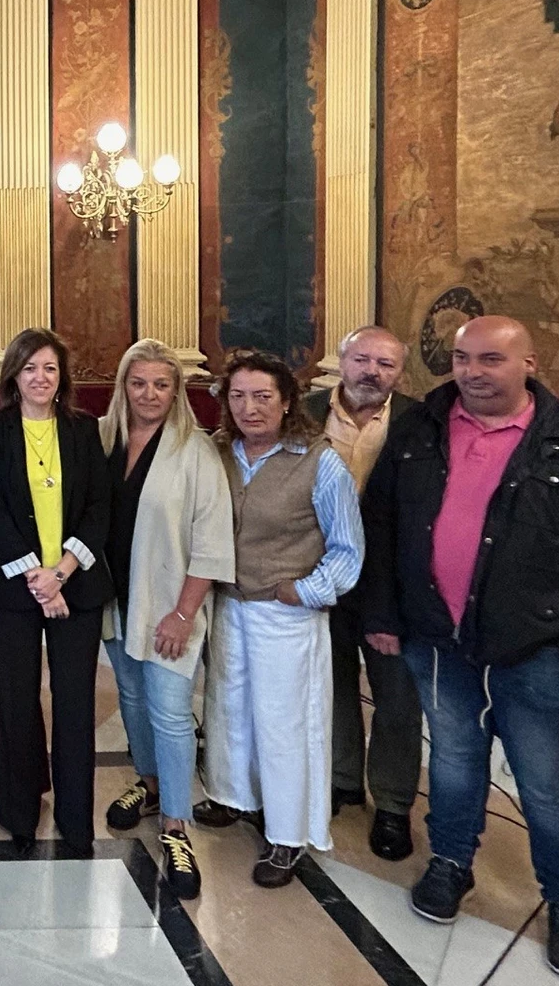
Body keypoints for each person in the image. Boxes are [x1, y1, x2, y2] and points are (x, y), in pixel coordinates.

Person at [362, 316, 559, 981]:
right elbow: (380, 523)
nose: (473, 371)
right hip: (438, 638)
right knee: (456, 762)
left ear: (529, 363)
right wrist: (381, 612)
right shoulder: (418, 430)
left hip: (535, 647)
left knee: (547, 787)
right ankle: (451, 862)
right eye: (462, 358)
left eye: (491, 358)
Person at [197, 350, 363, 888]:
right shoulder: (217, 452)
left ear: (287, 401)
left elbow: (347, 548)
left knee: (284, 723)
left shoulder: (320, 460)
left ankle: (288, 835)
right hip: (229, 604)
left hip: (285, 612)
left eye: (263, 396)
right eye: (238, 396)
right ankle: (235, 797)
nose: (250, 408)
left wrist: (307, 590)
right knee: (229, 709)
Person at [97, 339, 233, 900]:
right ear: (123, 386)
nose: (149, 394)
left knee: (172, 712)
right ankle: (149, 785)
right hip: (116, 601)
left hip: (170, 608)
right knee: (131, 701)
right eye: (139, 383)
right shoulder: (104, 440)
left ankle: (176, 824)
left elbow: (211, 540)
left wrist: (184, 613)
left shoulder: (195, 451)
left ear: (176, 392)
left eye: (161, 384)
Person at [0, 328, 112, 852]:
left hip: (77, 585)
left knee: (75, 704)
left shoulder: (83, 429)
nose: (39, 377)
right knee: (16, 700)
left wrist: (63, 573)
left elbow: (100, 508)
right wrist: (39, 579)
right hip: (14, 590)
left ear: (62, 377)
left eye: (49, 368)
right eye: (29, 368)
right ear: (14, 375)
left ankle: (76, 819)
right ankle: (19, 813)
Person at [304, 325, 421, 861]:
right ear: (343, 361)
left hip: (392, 583)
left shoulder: (421, 423)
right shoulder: (302, 411)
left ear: (399, 373)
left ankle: (394, 805)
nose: (372, 372)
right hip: (320, 571)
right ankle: (342, 780)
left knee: (397, 698)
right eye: (363, 359)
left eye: (386, 364)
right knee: (331, 684)